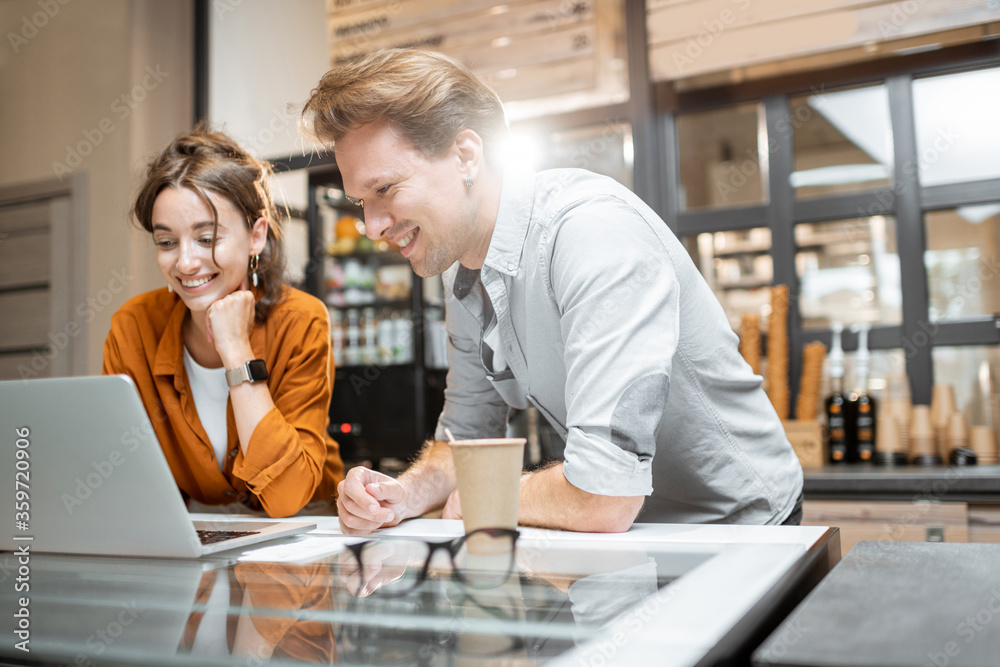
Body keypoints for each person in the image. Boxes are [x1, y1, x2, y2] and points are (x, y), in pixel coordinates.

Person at [302, 49, 803, 533]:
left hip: (744, 524)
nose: (370, 226)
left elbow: (602, 496)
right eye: (360, 201)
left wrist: (481, 497)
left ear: (464, 155)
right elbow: (466, 438)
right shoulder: (463, 277)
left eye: (385, 190)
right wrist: (403, 496)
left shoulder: (592, 234)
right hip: (640, 532)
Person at [103, 127, 344, 518]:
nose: (184, 263)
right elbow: (126, 481)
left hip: (306, 530)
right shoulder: (133, 326)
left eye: (207, 237)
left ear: (256, 236)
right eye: (166, 242)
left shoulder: (301, 320)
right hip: (198, 532)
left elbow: (287, 496)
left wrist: (236, 350)